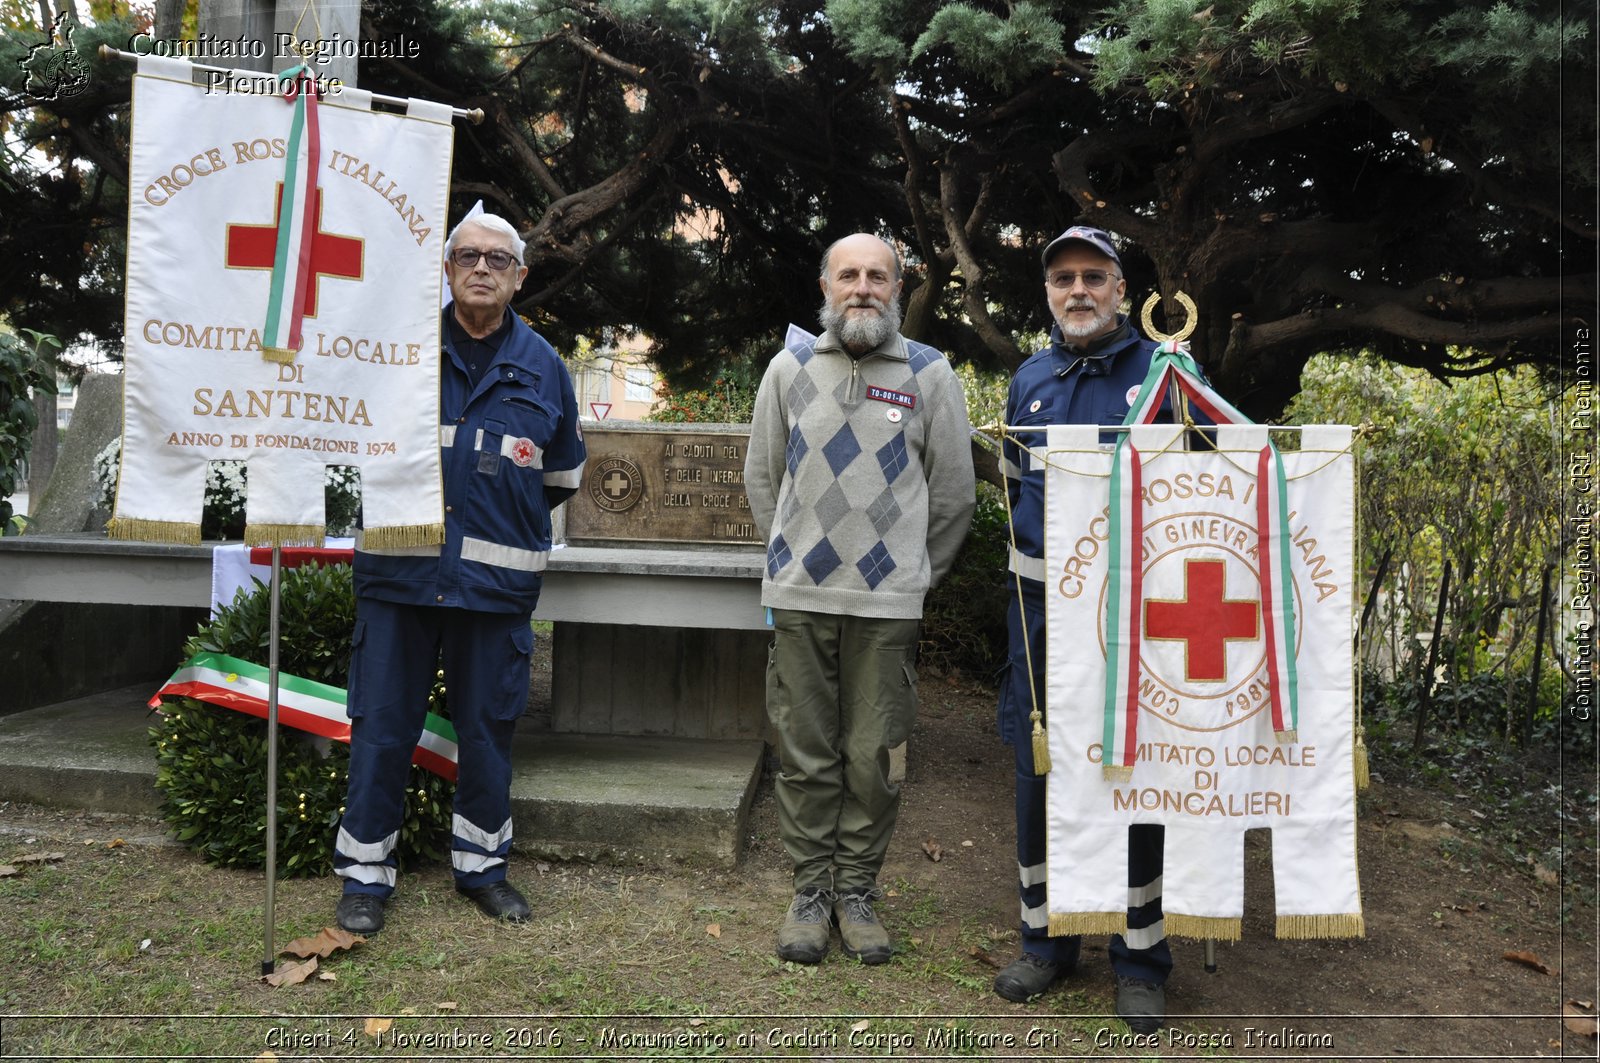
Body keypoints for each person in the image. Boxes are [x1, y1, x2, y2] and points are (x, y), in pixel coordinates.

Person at [332, 212, 586, 934]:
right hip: (400, 578)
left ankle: (482, 868)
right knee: (381, 730)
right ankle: (364, 877)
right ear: (446, 270)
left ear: (519, 276)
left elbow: (561, 475)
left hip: (493, 592)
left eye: (497, 259)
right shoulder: (395, 353)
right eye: (467, 256)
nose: (481, 267)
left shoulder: (546, 367)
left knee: (486, 733)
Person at [745, 233, 976, 965]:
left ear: (900, 287)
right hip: (803, 593)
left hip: (888, 605)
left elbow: (952, 496)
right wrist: (792, 561)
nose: (863, 287)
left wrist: (912, 575)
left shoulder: (930, 375)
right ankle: (811, 891)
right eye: (849, 274)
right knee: (806, 750)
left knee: (874, 754)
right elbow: (765, 480)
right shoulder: (788, 369)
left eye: (878, 275)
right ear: (825, 284)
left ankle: (857, 892)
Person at [993, 226, 1172, 1031]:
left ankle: (1139, 957)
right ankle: (1047, 940)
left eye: (1093, 276)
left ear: (1122, 289)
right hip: (1038, 621)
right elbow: (1009, 496)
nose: (1077, 290)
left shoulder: (1167, 375)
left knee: (1135, 781)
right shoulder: (1029, 378)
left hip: (1134, 620)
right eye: (1063, 277)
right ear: (1048, 292)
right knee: (1040, 781)